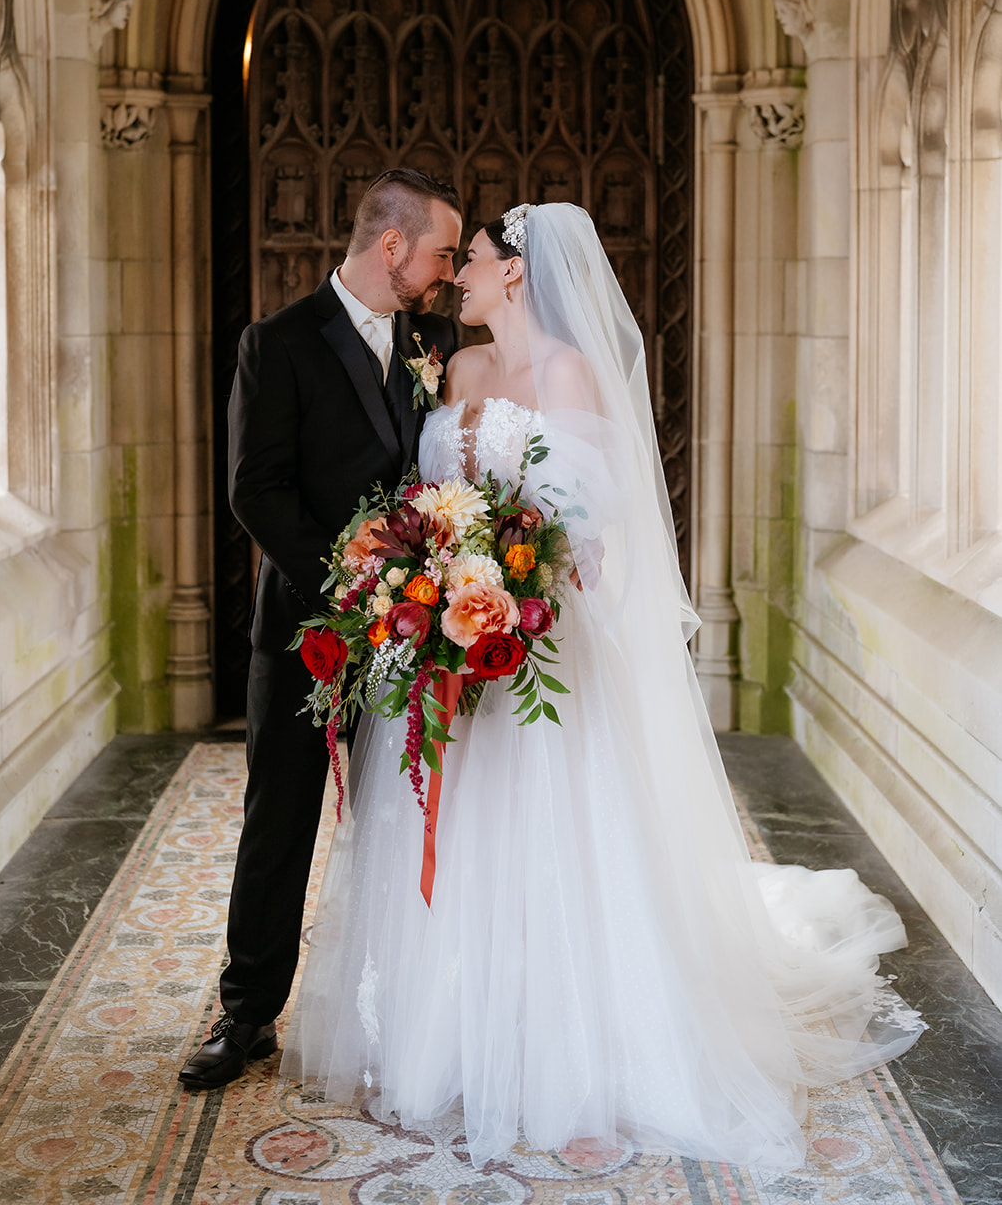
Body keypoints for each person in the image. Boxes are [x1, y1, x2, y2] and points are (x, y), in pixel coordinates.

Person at [283, 201, 925, 1170]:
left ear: (516, 273)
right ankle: (451, 1039)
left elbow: (584, 525)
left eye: (478, 257)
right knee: (461, 847)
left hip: (539, 650)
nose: (459, 272)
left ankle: (571, 1054)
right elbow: (425, 497)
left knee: (552, 846)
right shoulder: (454, 369)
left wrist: (504, 573)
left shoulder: (569, 374)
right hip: (456, 643)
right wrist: (433, 570)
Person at [178, 169, 462, 1090]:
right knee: (281, 818)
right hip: (309, 629)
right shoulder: (280, 343)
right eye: (440, 253)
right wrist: (355, 580)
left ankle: (401, 1012)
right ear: (392, 247)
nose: (446, 272)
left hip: (412, 634)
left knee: (401, 816)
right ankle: (247, 1010)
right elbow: (253, 490)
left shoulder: (434, 338)